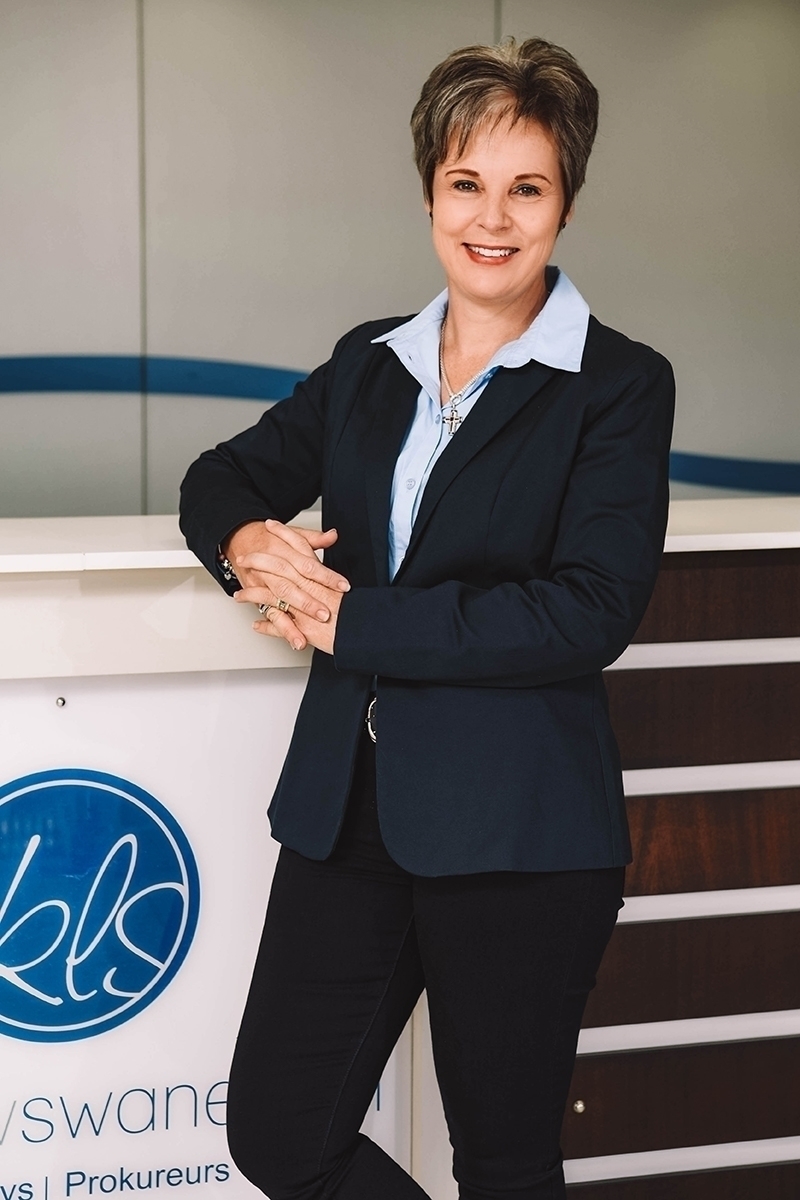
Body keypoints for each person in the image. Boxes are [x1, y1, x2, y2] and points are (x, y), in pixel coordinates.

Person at [179, 36, 674, 1200]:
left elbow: (586, 609)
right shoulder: (369, 364)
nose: (490, 219)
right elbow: (221, 476)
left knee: (502, 1166)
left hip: (517, 831)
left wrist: (356, 623)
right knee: (278, 1133)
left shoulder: (617, 385)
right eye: (465, 183)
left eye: (525, 188)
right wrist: (245, 543)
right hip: (346, 817)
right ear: (427, 193)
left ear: (565, 202)